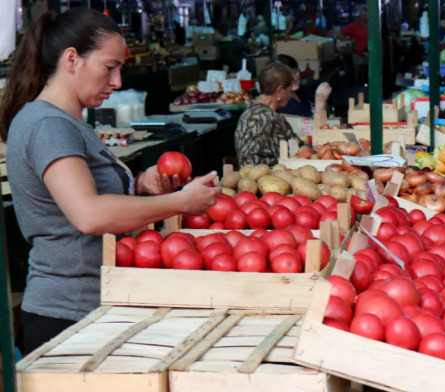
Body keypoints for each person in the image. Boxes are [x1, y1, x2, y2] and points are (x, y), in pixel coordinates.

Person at [0, 8, 220, 354]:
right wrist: (180, 203)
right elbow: (89, 214)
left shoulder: (66, 121)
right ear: (72, 59)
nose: (117, 82)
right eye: (109, 67)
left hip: (94, 304)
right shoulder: (48, 125)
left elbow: (78, 196)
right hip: (70, 315)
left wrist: (137, 186)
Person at [234, 62, 304, 166]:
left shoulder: (249, 113)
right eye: (289, 91)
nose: (290, 96)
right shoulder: (267, 118)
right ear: (279, 91)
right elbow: (252, 162)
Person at [338, 8, 368, 85]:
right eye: (364, 15)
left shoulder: (374, 26)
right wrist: (349, 43)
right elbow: (339, 34)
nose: (366, 17)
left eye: (367, 15)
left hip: (372, 55)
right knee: (357, 75)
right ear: (360, 16)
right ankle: (357, 88)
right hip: (358, 55)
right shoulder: (354, 26)